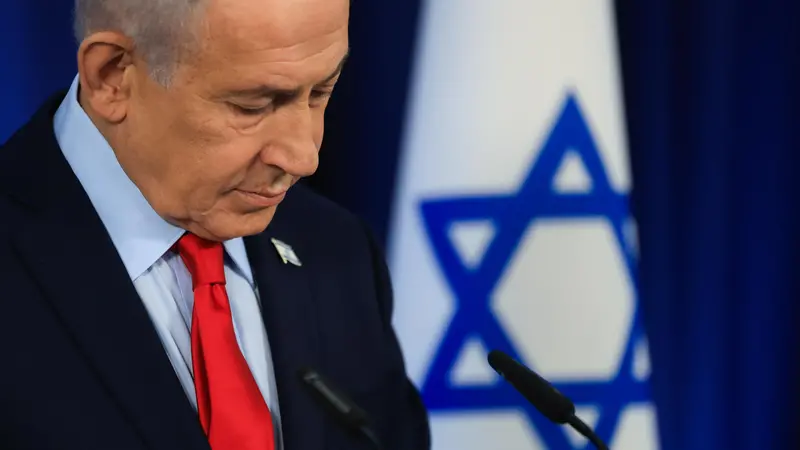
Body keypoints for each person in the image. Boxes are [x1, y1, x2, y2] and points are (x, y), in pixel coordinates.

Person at [0, 0, 430, 449]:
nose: (304, 157)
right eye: (253, 106)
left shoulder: (337, 248)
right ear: (112, 76)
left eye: (322, 91)